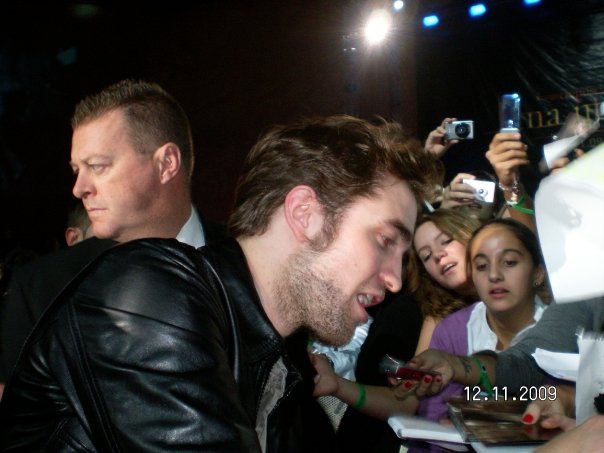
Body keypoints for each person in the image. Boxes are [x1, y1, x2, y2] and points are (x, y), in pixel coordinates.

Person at [0, 115, 441, 452]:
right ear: (305, 214)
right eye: (385, 241)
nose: (394, 279)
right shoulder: (150, 293)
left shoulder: (285, 363)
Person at [0, 79, 225, 398]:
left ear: (166, 164)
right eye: (77, 170)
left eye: (97, 166)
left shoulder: (249, 261)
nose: (79, 188)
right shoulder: (42, 289)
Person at [417, 218, 549, 421]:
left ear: (537, 273)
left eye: (509, 262)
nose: (494, 275)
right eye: (482, 266)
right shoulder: (451, 332)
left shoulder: (565, 330)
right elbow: (432, 421)